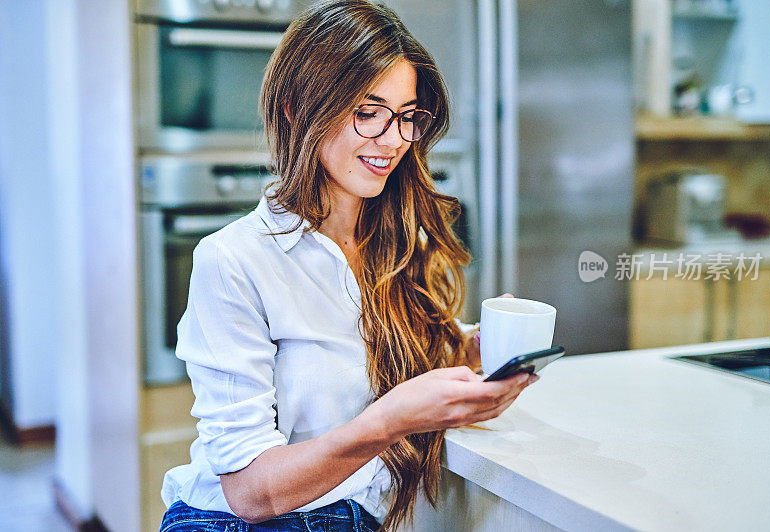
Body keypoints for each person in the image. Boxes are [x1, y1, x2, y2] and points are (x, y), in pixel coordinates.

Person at [159, 1, 537, 531]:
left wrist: (469, 349)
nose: (393, 139)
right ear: (295, 108)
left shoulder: (400, 242)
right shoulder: (232, 260)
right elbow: (250, 492)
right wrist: (389, 421)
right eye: (368, 111)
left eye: (407, 117)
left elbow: (371, 358)